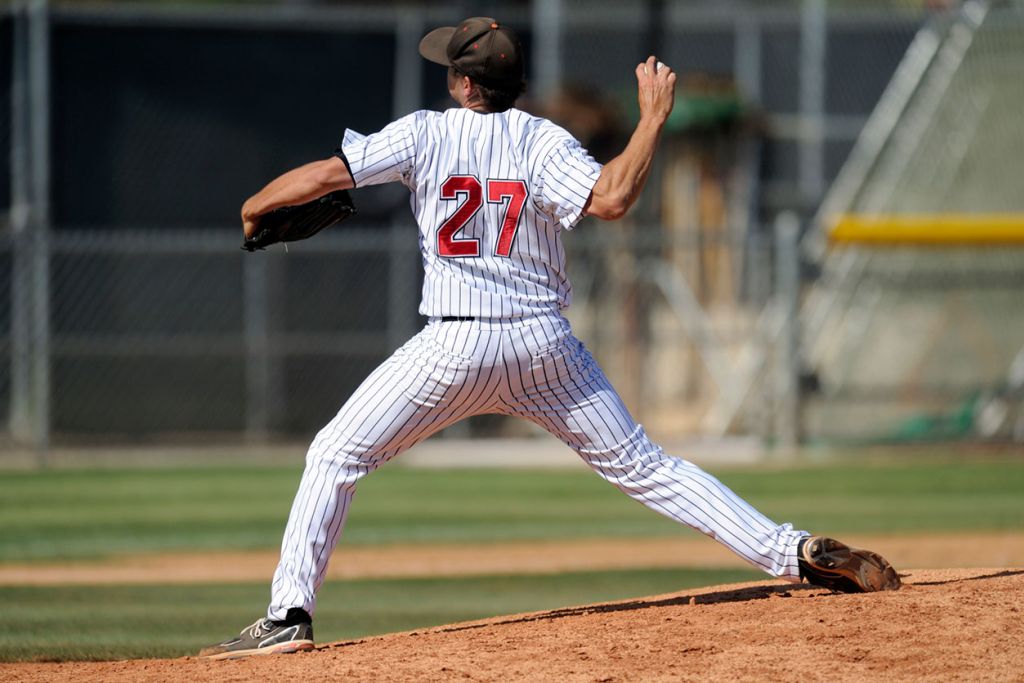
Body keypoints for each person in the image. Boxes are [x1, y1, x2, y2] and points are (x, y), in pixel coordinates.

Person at [200, 17, 900, 660]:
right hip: (543, 348)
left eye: (453, 66)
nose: (449, 74)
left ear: (466, 84)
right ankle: (795, 548)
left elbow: (327, 174)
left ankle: (289, 613)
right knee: (648, 466)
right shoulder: (543, 140)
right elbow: (614, 199)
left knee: (335, 454)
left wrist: (254, 203)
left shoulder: (424, 133)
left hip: (454, 348)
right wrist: (652, 119)